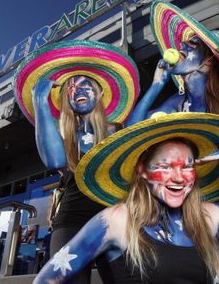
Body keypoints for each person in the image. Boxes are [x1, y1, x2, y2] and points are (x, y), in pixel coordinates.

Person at [34, 113, 219, 284]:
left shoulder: (211, 216)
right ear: (143, 171)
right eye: (165, 166)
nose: (179, 176)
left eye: (187, 165)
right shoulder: (117, 221)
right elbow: (47, 278)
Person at [127, 0, 219, 281]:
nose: (179, 49)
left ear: (208, 60)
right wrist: (156, 86)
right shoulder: (176, 102)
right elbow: (133, 128)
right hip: (188, 207)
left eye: (190, 46)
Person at [13, 40, 140, 284]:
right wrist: (40, 101)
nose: (77, 91)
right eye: (70, 89)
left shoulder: (118, 130)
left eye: (85, 85)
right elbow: (54, 161)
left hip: (114, 217)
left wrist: (157, 85)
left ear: (100, 92)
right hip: (71, 219)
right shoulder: (63, 136)